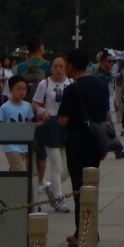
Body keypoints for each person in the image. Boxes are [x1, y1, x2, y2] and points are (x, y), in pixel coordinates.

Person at [58, 48, 115, 247]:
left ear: (71, 65)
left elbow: (63, 120)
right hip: (96, 142)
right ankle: (86, 229)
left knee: (79, 189)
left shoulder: (71, 90)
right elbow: (106, 114)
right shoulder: (100, 84)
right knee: (90, 188)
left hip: (78, 143)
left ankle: (85, 231)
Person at [32, 54, 73, 213]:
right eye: (55, 66)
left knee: (67, 167)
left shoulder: (70, 83)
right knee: (56, 165)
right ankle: (59, 200)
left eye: (61, 66)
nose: (58, 69)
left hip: (66, 124)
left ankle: (51, 188)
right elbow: (35, 103)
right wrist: (42, 111)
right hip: (51, 124)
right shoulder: (45, 83)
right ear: (51, 68)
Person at [0, 75, 37, 172]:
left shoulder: (27, 106)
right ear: (10, 90)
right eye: (18, 89)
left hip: (23, 144)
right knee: (21, 170)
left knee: (15, 170)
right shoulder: (5, 107)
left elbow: (29, 125)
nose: (22, 92)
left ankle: (12, 185)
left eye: (24, 89)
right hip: (10, 145)